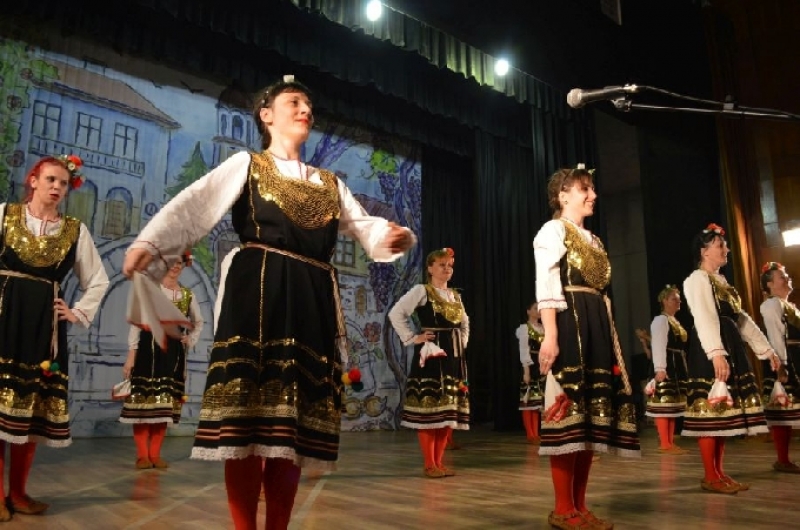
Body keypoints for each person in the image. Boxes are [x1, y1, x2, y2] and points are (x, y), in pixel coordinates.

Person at [122, 76, 416, 530]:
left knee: (290, 430)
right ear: (266, 114)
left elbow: (364, 226)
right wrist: (152, 243)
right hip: (258, 292)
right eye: (294, 102)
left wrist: (390, 236)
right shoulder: (248, 164)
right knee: (247, 425)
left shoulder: (329, 183)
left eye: (308, 105)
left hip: (311, 299)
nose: (305, 110)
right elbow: (195, 206)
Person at [0, 154, 108, 520]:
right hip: (4, 318)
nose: (57, 187)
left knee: (30, 415)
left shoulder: (75, 230)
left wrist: (77, 312)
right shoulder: (5, 215)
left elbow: (99, 280)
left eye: (63, 183)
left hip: (43, 328)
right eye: (50, 180)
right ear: (33, 181)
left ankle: (17, 493)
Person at [533, 164, 639, 530]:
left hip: (596, 326)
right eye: (585, 189)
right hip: (570, 324)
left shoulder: (595, 241)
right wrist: (550, 335)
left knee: (590, 421)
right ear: (563, 196)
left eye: (592, 189)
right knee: (570, 416)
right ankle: (563, 508)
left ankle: (580, 505)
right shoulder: (552, 230)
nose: (593, 195)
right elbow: (547, 284)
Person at [682, 223, 780, 494]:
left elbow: (741, 319)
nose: (726, 249)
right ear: (704, 251)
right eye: (720, 245)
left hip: (729, 342)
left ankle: (719, 472)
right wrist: (716, 353)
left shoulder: (722, 283)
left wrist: (766, 350)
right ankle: (710, 475)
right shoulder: (697, 279)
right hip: (710, 347)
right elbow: (704, 316)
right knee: (711, 410)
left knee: (724, 413)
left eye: (724, 245)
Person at [388, 247, 469, 478]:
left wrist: (460, 344)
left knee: (446, 414)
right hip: (431, 355)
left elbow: (465, 323)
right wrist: (413, 338)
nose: (447, 269)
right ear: (430, 268)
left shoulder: (455, 295)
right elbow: (396, 313)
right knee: (430, 413)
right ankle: (429, 464)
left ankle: (439, 463)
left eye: (450, 265)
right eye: (442, 265)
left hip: (452, 357)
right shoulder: (422, 291)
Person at [120, 250, 204, 470]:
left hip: (172, 354)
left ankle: (155, 454)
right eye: (171, 262)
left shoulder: (187, 295)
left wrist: (190, 339)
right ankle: (142, 455)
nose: (175, 266)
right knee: (142, 406)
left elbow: (198, 322)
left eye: (180, 263)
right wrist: (131, 356)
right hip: (148, 350)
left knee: (163, 406)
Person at [759, 262, 800, 473]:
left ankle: (783, 460)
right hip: (787, 360)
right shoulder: (772, 305)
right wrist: (781, 365)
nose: (787, 278)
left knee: (788, 411)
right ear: (770, 284)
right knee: (783, 411)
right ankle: (782, 460)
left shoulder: (788, 306)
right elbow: (775, 335)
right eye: (782, 276)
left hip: (796, 357)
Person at [646, 285, 689, 454]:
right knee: (664, 403)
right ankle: (664, 443)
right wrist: (660, 368)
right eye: (674, 299)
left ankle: (670, 443)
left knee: (672, 404)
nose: (678, 302)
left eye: (679, 299)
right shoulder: (661, 320)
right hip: (667, 364)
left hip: (676, 364)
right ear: (664, 301)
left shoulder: (673, 321)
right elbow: (658, 344)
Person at [516, 300, 544, 443]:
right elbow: (524, 351)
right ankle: (530, 434)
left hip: (542, 365)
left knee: (537, 402)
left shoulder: (544, 328)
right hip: (531, 365)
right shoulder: (524, 328)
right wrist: (526, 371)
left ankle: (536, 433)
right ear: (528, 311)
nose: (538, 311)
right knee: (528, 401)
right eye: (535, 308)